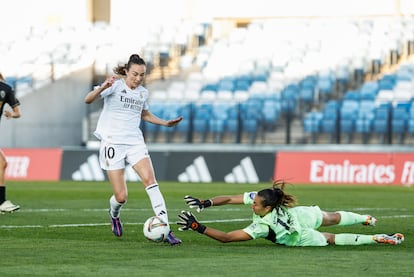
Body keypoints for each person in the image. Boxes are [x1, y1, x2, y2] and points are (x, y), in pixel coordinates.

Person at [84, 54, 183, 245]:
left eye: (142, 75)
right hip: (112, 143)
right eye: (135, 74)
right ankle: (114, 215)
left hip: (135, 143)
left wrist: (165, 123)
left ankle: (166, 229)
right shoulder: (114, 85)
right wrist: (103, 87)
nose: (138, 79)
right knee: (121, 197)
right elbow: (88, 100)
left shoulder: (142, 93)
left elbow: (144, 114)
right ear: (127, 72)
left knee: (151, 181)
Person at [177, 180, 404, 246]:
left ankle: (374, 238)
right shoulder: (268, 201)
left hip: (296, 235)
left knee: (332, 237)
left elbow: (227, 238)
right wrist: (205, 202)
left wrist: (198, 227)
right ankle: (368, 225)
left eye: (255, 204)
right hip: (298, 220)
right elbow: (228, 198)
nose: (251, 205)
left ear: (267, 207)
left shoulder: (262, 226)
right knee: (332, 217)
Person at [0, 73, 21, 213]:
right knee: (1, 163)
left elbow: (17, 113)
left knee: (3, 163)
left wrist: (11, 114)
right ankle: (1, 202)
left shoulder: (6, 88)